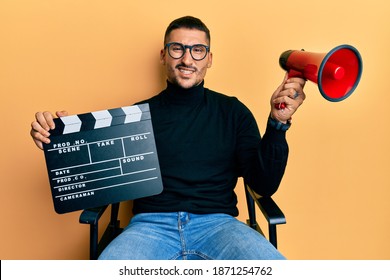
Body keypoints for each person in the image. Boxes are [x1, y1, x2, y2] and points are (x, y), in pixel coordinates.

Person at [30, 16, 306, 260]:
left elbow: (263, 184)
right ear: (164, 55)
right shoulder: (135, 116)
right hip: (150, 227)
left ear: (210, 58)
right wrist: (55, 141)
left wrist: (277, 124)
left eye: (198, 50)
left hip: (219, 226)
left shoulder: (233, 112)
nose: (187, 59)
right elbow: (95, 175)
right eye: (178, 49)